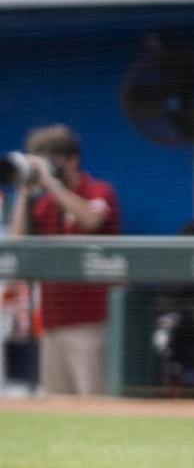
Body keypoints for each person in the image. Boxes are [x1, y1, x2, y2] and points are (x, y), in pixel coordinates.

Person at [8, 125, 118, 397]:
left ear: (72, 160)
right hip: (52, 322)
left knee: (95, 403)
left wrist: (52, 183)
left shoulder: (99, 191)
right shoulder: (45, 204)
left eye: (49, 162)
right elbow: (17, 243)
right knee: (57, 406)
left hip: (90, 323)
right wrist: (25, 191)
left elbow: (91, 219)